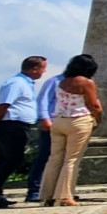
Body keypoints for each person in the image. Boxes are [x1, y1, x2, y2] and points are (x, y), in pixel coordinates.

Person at [38, 54, 100, 207]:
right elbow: (94, 105)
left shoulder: (61, 81)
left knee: (55, 158)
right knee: (71, 159)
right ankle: (65, 196)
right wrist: (98, 118)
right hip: (78, 120)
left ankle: (48, 195)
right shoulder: (86, 82)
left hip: (59, 121)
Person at [0, 55, 45, 209]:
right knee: (12, 160)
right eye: (42, 68)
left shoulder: (25, 83)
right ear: (35, 69)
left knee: (4, 161)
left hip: (17, 125)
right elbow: (3, 106)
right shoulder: (16, 83)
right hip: (12, 125)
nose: (43, 71)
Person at [24, 65, 62, 203]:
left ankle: (57, 191)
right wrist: (44, 118)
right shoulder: (55, 81)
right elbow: (42, 101)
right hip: (51, 123)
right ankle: (34, 190)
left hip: (66, 124)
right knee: (45, 156)